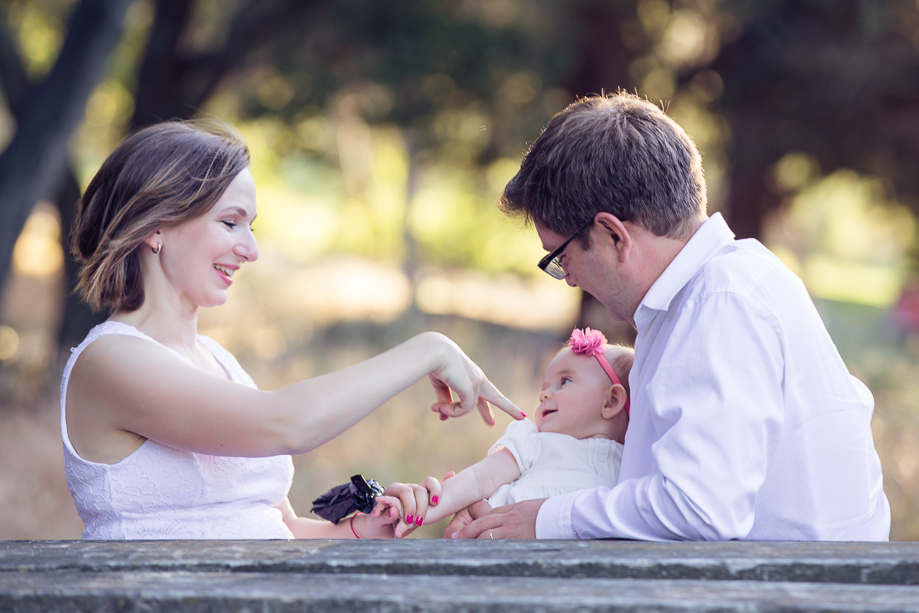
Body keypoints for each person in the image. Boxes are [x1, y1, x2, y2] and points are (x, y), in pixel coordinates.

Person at [449, 92, 890, 541]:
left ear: (612, 235)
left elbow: (699, 509)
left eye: (560, 256)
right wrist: (511, 504)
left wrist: (545, 519)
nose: (569, 280)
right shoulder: (715, 290)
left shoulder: (720, 305)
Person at [61, 119, 524, 540]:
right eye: (230, 223)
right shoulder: (111, 361)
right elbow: (286, 423)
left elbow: (280, 528)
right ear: (156, 226)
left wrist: (366, 529)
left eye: (252, 226)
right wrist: (430, 348)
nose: (251, 249)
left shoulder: (218, 362)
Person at [381, 328, 633, 538]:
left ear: (611, 401)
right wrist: (424, 507)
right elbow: (478, 479)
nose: (544, 394)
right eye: (545, 386)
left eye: (564, 381)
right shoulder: (533, 440)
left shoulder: (634, 461)